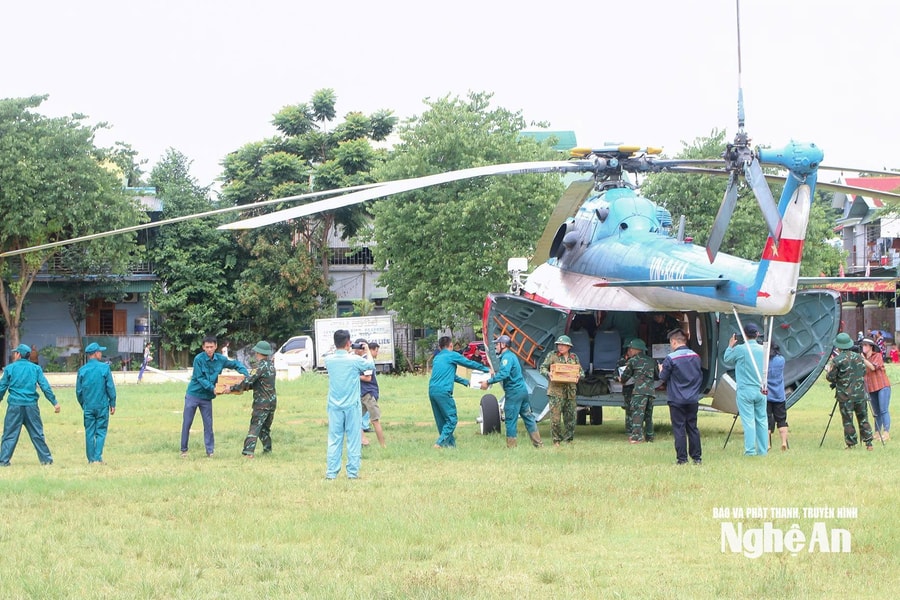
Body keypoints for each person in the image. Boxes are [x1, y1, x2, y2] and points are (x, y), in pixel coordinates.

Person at [181, 335, 249, 458]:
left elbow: (235, 364)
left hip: (207, 398)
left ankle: (210, 452)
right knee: (187, 423)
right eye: (207, 347)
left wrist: (246, 374)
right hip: (193, 395)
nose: (209, 349)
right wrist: (213, 388)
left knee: (208, 425)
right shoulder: (198, 359)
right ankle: (184, 450)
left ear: (216, 346)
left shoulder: (221, 359)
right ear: (203, 347)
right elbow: (200, 378)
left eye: (211, 347)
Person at [324, 330, 374, 479]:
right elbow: (370, 365)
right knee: (353, 439)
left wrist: (347, 348)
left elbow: (332, 354)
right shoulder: (354, 360)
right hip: (352, 405)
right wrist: (366, 350)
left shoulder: (329, 360)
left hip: (334, 405)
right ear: (348, 343)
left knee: (334, 439)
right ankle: (352, 473)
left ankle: (331, 473)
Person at [0, 344, 60, 466]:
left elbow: (2, 388)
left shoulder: (9, 369)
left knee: (9, 434)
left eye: (15, 353)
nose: (14, 355)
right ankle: (46, 460)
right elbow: (45, 386)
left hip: (14, 406)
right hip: (31, 406)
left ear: (18, 354)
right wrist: (54, 402)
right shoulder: (35, 369)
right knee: (37, 433)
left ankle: (3, 460)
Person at [481, 335, 543, 448]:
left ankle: (511, 447)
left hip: (514, 393)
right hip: (522, 391)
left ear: (503, 345)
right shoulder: (510, 356)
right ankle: (538, 444)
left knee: (510, 420)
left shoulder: (506, 358)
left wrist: (488, 381)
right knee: (528, 417)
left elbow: (504, 373)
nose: (496, 346)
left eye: (497, 344)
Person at [429, 335, 488, 448]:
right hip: (443, 391)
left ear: (439, 347)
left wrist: (466, 382)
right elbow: (469, 363)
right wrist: (486, 369)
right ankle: (439, 443)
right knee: (452, 419)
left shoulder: (437, 358)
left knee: (441, 420)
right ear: (451, 345)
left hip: (432, 390)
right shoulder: (452, 355)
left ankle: (450, 446)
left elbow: (449, 375)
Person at [723, 323, 768, 456]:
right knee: (762, 420)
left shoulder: (741, 349)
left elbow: (727, 359)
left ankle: (750, 450)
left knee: (749, 421)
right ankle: (763, 450)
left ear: (743, 335)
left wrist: (730, 346)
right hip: (761, 389)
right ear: (757, 334)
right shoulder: (763, 350)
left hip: (745, 390)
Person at [658, 329, 702, 465]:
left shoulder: (671, 358)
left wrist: (661, 369)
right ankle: (697, 458)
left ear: (674, 341)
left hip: (677, 399)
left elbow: (662, 378)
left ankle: (682, 459)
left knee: (679, 428)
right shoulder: (696, 356)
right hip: (693, 398)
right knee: (693, 428)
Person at [825, 332, 874, 450]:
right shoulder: (858, 357)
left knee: (848, 420)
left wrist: (829, 371)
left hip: (845, 395)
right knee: (863, 418)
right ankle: (869, 443)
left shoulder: (837, 360)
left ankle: (851, 443)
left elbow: (830, 378)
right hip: (860, 394)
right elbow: (863, 372)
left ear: (838, 346)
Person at [233, 341, 277, 458]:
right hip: (272, 402)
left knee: (255, 427)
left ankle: (248, 453)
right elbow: (260, 384)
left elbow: (249, 381)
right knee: (264, 428)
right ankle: (267, 450)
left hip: (261, 404)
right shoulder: (271, 366)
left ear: (258, 353)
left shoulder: (260, 367)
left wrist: (232, 388)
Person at [76, 342, 117, 464]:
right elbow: (110, 387)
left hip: (88, 406)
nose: (101, 353)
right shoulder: (104, 368)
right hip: (102, 406)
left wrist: (84, 404)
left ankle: (91, 459)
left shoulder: (82, 370)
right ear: (95, 353)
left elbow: (78, 392)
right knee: (101, 431)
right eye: (100, 351)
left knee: (89, 432)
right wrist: (112, 403)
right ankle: (98, 457)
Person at [539, 335, 583, 447]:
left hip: (570, 392)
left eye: (563, 345)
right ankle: (556, 440)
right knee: (555, 419)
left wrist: (579, 376)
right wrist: (548, 373)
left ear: (569, 347)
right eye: (559, 344)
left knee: (571, 418)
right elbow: (542, 368)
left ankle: (569, 439)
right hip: (556, 392)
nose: (560, 347)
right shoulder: (552, 356)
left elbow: (581, 371)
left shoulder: (574, 357)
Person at [620, 339, 656, 444]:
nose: (629, 351)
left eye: (631, 349)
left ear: (636, 350)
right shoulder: (652, 360)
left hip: (638, 392)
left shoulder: (633, 361)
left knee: (637, 414)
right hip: (650, 392)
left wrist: (621, 380)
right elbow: (658, 375)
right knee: (648, 416)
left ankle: (636, 437)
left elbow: (625, 376)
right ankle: (650, 436)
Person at [356, 340, 386, 448]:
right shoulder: (363, 360)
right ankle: (364, 441)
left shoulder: (366, 360)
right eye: (376, 351)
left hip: (368, 394)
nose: (377, 353)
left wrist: (353, 376)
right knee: (355, 419)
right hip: (365, 394)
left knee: (374, 420)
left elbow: (368, 378)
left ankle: (383, 446)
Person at [860, 338, 891, 442]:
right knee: (876, 412)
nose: (863, 347)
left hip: (882, 386)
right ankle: (877, 433)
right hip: (871, 388)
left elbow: (873, 367)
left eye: (865, 345)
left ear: (870, 347)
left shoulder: (877, 355)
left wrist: (863, 359)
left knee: (883, 410)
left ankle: (886, 433)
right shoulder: (862, 358)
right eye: (862, 345)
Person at [766, 343, 789, 451]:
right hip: (779, 394)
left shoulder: (764, 361)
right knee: (781, 420)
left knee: (766, 420)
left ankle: (767, 443)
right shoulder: (781, 360)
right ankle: (784, 442)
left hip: (767, 395)